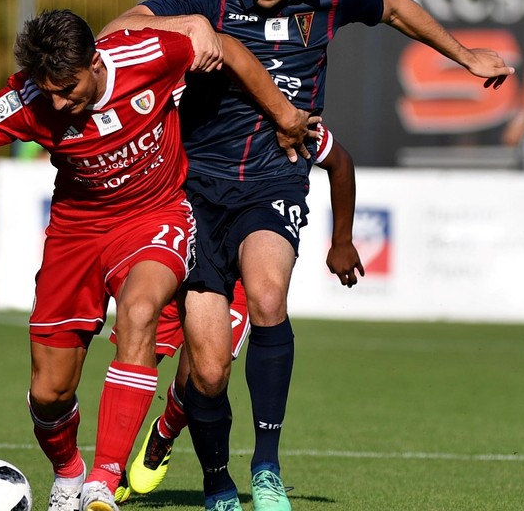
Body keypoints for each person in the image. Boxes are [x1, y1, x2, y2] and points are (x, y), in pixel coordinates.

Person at [99, 0, 513, 509]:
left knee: (268, 298)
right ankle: (213, 477)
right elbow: (122, 28)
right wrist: (186, 23)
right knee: (206, 370)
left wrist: (464, 54)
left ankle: (265, 467)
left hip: (276, 176)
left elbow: (394, 7)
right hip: (194, 188)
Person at [0, 9, 313, 511]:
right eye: (50, 91)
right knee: (49, 393)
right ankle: (70, 473)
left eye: (68, 87)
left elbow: (228, 49)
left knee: (140, 310)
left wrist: (283, 114)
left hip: (156, 217)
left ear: (95, 61)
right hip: (75, 235)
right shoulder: (30, 100)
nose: (60, 102)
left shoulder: (149, 55)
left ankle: (103, 481)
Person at [111, 122, 363, 505]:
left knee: (200, 374)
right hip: (191, 244)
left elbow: (340, 161)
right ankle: (110, 469)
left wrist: (342, 239)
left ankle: (164, 433)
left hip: (244, 266)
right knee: (139, 356)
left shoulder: (289, 124)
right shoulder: (196, 110)